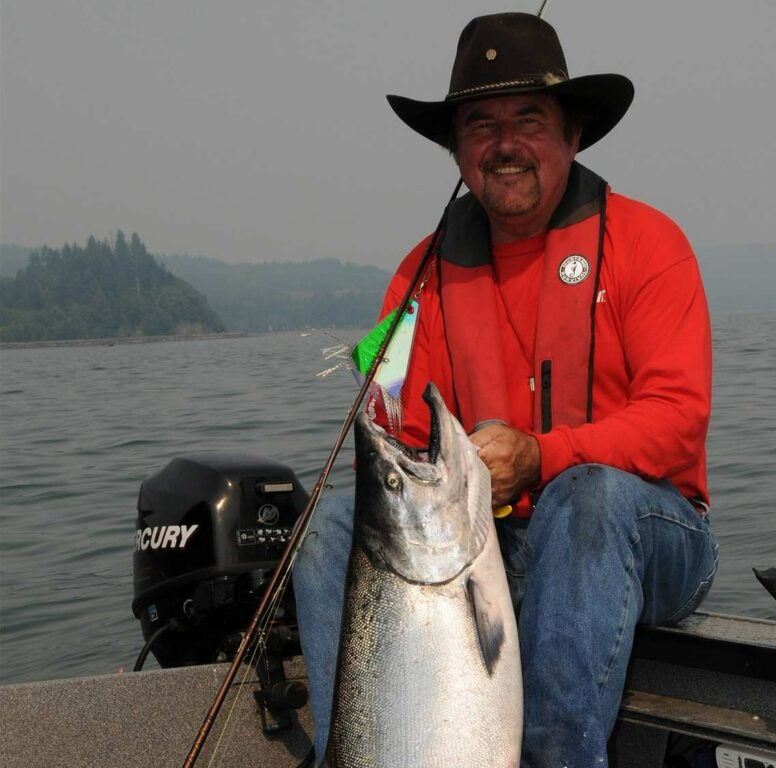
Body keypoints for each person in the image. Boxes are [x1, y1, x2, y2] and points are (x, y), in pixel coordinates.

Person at [294, 12, 718, 767]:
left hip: (647, 536)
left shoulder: (651, 245)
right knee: (327, 528)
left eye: (529, 118)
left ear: (573, 136)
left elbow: (677, 424)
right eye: (481, 124)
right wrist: (378, 398)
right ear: (457, 150)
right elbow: (389, 427)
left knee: (586, 497)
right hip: (482, 546)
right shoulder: (414, 277)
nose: (505, 143)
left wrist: (541, 456)